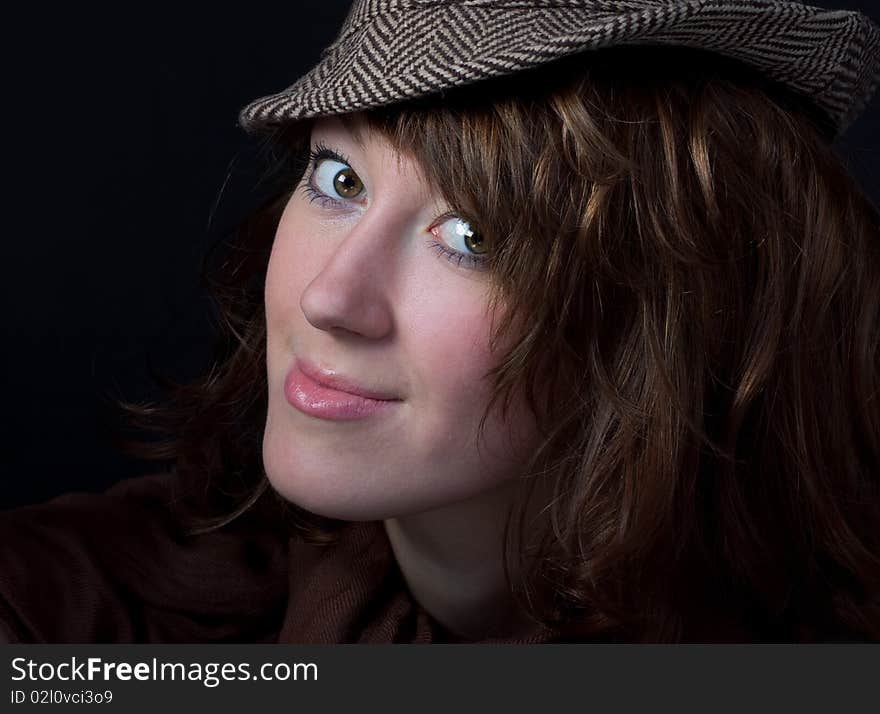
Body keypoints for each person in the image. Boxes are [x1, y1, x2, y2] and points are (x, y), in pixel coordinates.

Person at [2, 0, 879, 643]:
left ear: (673, 319)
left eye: (474, 235)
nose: (329, 299)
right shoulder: (81, 613)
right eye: (340, 179)